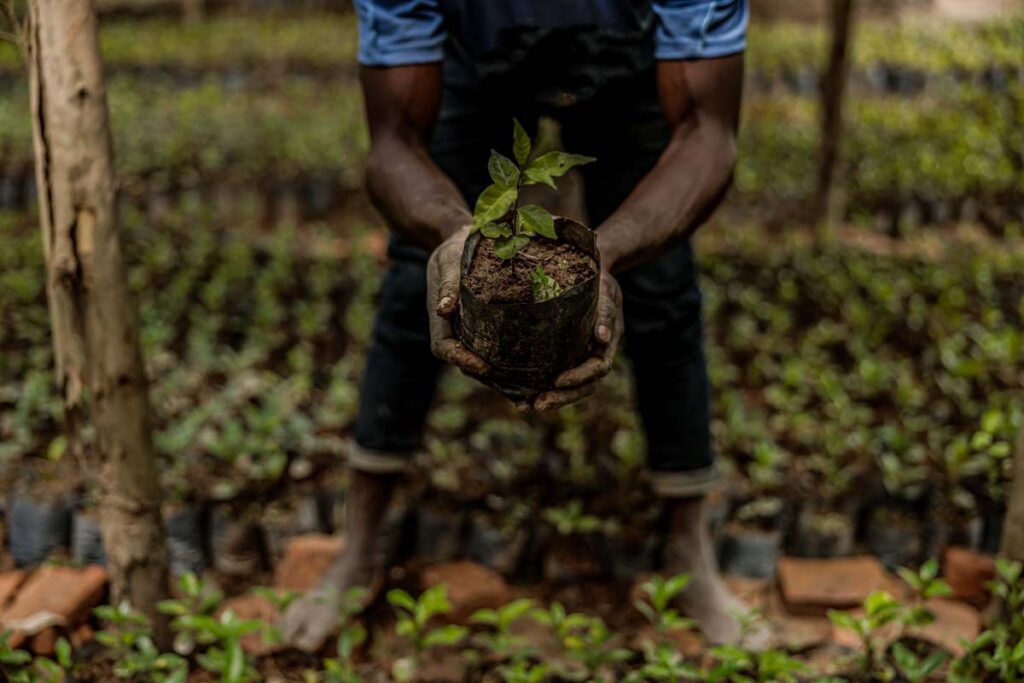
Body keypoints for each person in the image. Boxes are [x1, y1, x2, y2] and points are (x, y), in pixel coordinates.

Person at [282, 0, 753, 652]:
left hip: (635, 57)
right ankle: (359, 543)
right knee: (418, 278)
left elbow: (709, 132)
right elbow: (394, 140)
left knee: (663, 284)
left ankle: (688, 545)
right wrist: (455, 236)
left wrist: (606, 253)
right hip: (471, 60)